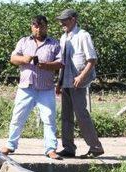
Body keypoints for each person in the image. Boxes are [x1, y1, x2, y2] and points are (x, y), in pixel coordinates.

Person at [1, 15, 63, 160]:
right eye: (36, 26)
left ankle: (51, 149)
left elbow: (60, 63)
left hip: (46, 88)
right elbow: (13, 58)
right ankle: (11, 145)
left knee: (49, 118)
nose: (38, 29)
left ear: (46, 27)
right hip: (26, 87)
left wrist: (46, 65)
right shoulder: (23, 41)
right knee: (18, 116)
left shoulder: (54, 44)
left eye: (41, 26)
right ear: (31, 26)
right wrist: (25, 59)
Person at [55, 9, 104, 158]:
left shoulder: (83, 35)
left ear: (74, 19)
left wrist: (81, 77)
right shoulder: (64, 38)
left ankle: (95, 148)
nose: (62, 23)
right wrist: (59, 82)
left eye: (65, 20)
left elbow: (92, 60)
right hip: (66, 82)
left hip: (78, 82)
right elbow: (62, 62)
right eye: (61, 20)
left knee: (81, 115)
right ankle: (69, 148)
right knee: (66, 116)